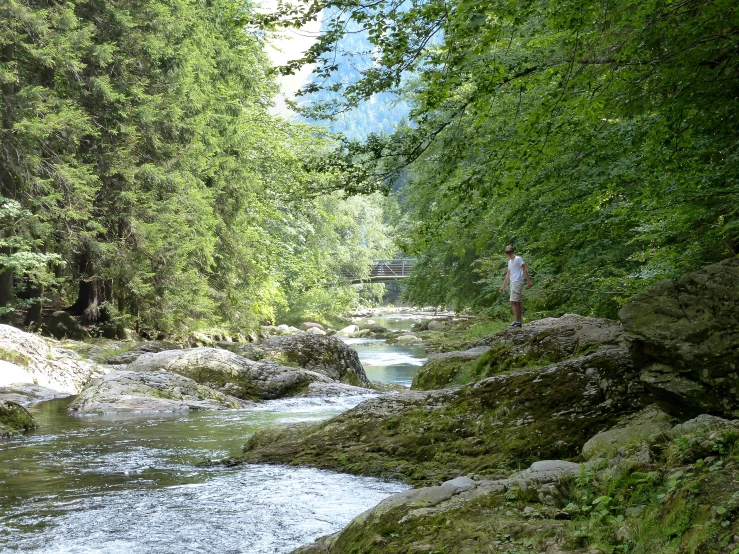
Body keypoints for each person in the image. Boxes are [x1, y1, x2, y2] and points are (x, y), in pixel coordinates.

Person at [499, 245, 532, 327]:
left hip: (518, 281)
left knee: (513, 301)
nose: (509, 256)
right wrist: (503, 286)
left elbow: (525, 269)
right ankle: (518, 321)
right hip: (512, 282)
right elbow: (508, 274)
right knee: (516, 302)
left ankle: (517, 321)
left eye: (510, 254)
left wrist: (528, 281)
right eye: (508, 255)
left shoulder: (518, 259)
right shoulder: (509, 262)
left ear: (513, 252)